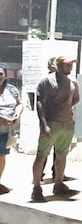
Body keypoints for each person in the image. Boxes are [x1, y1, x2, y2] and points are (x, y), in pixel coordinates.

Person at [32, 56, 80, 202]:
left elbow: (75, 99)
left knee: (62, 154)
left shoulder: (73, 82)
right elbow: (40, 103)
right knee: (42, 155)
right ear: (58, 65)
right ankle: (36, 188)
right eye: (66, 65)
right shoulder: (47, 81)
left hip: (67, 124)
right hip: (51, 123)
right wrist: (44, 124)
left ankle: (58, 183)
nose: (69, 67)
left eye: (71, 65)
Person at [0, 65, 22, 194]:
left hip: (6, 130)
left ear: (5, 75)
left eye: (0, 74)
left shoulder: (12, 90)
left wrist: (17, 114)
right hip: (3, 123)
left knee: (1, 156)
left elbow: (19, 103)